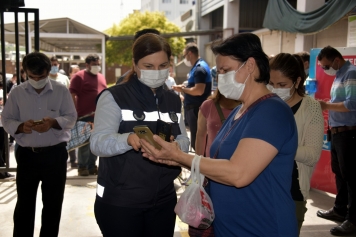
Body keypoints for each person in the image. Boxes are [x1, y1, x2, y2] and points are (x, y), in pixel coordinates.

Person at [140, 33, 299, 237]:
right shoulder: (239, 111)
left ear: (250, 65)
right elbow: (218, 163)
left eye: (226, 70)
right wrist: (177, 160)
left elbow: (238, 173)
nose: (220, 76)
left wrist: (180, 156)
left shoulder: (271, 112)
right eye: (219, 71)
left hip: (262, 227)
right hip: (228, 228)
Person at [90, 33, 189, 237]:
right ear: (134, 65)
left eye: (163, 66)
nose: (157, 72)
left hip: (163, 199)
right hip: (121, 202)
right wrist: (127, 139)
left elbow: (183, 138)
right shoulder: (114, 96)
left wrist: (177, 147)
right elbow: (97, 143)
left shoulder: (172, 99)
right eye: (149, 66)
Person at [1, 52, 77, 236]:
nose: (37, 80)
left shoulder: (60, 90)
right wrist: (20, 126)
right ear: (24, 72)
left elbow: (71, 117)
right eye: (32, 77)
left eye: (41, 77)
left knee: (53, 205)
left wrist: (53, 122)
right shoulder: (17, 92)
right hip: (27, 155)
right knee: (24, 205)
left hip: (55, 154)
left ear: (48, 71)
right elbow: (6, 119)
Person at [268, 53, 324, 234]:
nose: (275, 89)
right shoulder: (265, 104)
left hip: (291, 193)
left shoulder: (311, 108)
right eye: (271, 84)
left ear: (297, 81)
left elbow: (312, 155)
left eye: (282, 85)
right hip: (260, 191)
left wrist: (278, 147)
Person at [316, 46, 356, 236]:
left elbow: (352, 104)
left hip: (350, 133)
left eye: (326, 66)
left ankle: (353, 219)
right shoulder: (339, 75)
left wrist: (325, 105)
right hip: (338, 132)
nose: (325, 70)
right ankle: (340, 210)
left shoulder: (351, 73)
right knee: (339, 172)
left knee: (351, 177)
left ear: (336, 60)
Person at [189, 88, 240, 237]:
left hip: (235, 168)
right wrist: (198, 166)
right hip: (210, 171)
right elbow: (200, 135)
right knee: (209, 210)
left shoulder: (247, 105)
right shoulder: (208, 105)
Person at [70, 54, 107, 176]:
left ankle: (92, 166)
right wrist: (73, 112)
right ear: (87, 65)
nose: (97, 66)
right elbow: (72, 95)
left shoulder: (101, 77)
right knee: (84, 143)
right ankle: (82, 167)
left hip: (99, 116)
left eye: (98, 64)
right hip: (84, 116)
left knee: (95, 142)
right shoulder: (79, 77)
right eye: (94, 64)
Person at [172, 42, 211, 151]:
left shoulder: (199, 68)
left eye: (184, 55)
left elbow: (198, 91)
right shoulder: (199, 66)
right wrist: (184, 87)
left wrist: (182, 89)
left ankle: (199, 165)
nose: (185, 58)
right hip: (195, 108)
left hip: (196, 108)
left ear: (190, 54)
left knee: (198, 140)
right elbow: (194, 86)